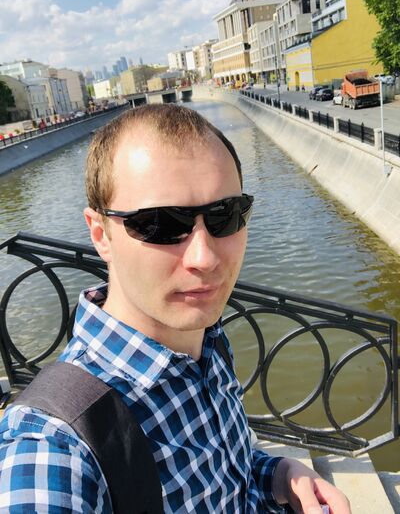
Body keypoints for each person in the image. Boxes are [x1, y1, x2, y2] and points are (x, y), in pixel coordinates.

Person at [0, 104, 351, 513]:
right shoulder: (53, 445)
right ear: (100, 235)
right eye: (160, 224)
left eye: (226, 215)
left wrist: (277, 475)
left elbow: (224, 474)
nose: (205, 258)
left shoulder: (206, 341)